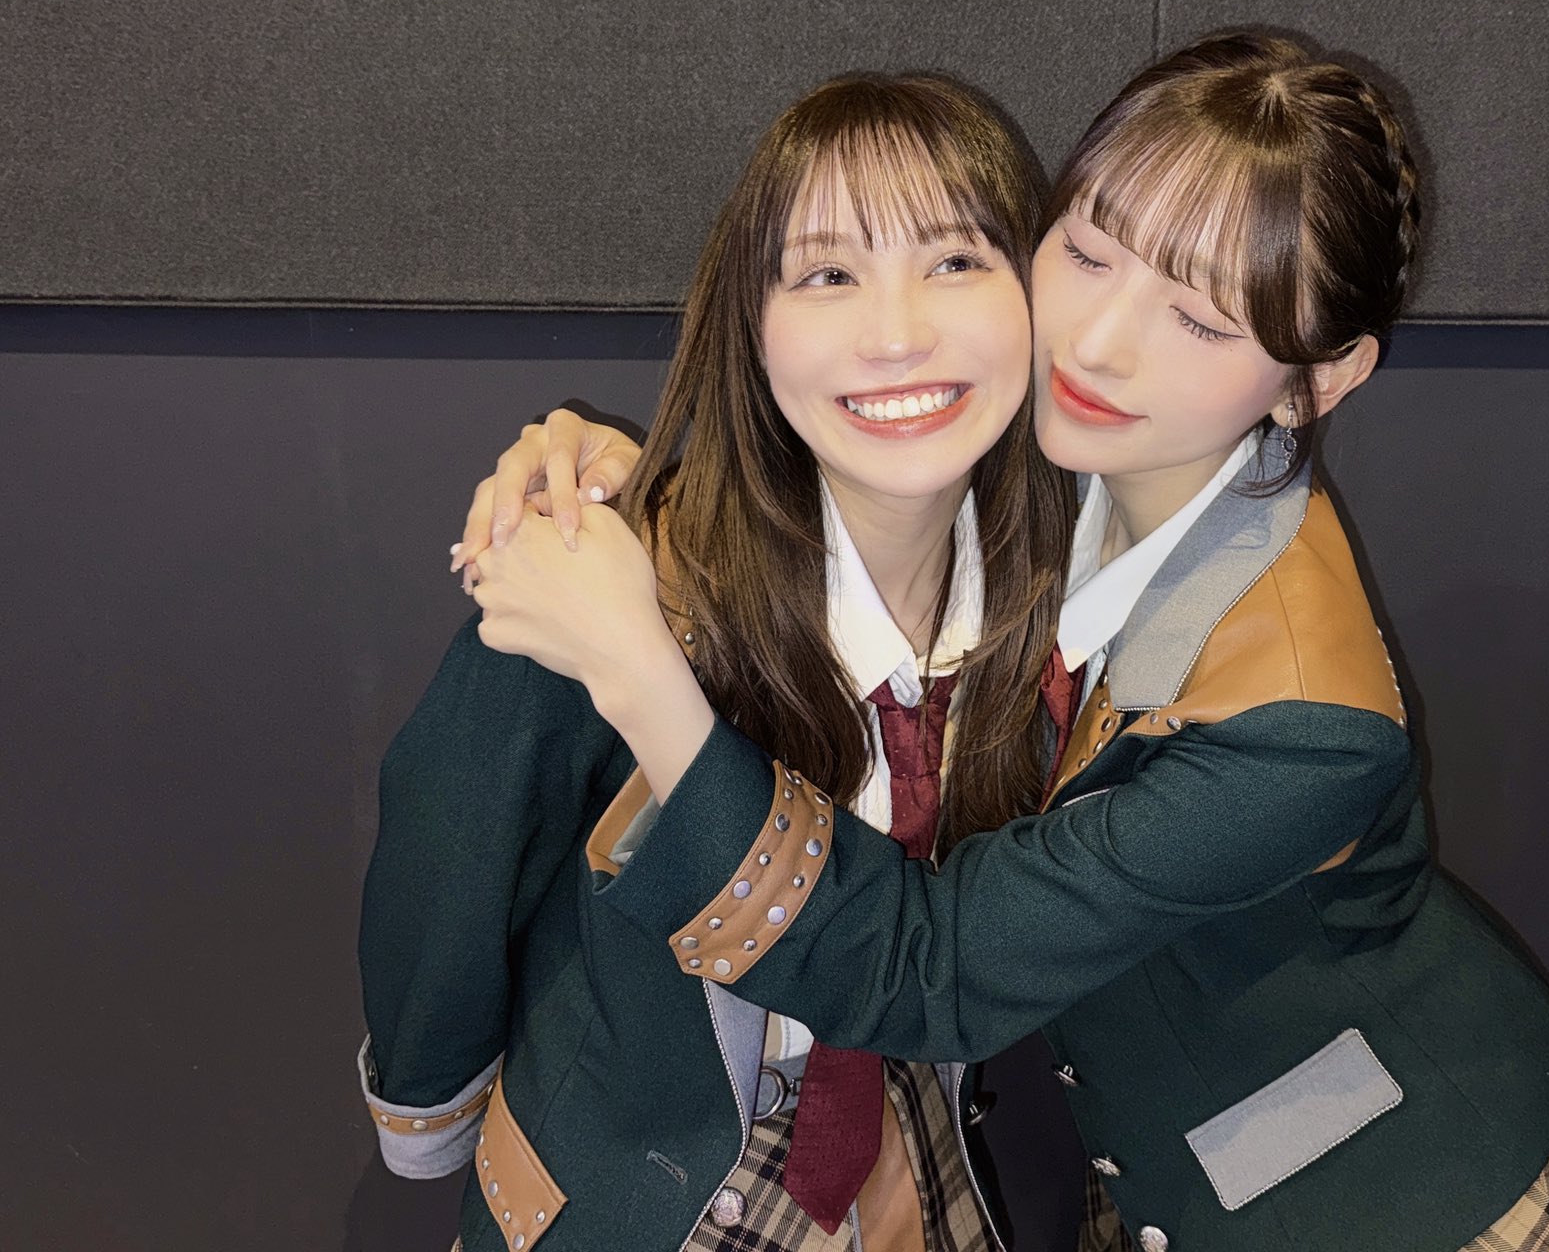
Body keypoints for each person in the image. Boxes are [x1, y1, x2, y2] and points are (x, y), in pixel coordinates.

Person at [464, 31, 1549, 1251]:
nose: (1100, 343)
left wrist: (638, 670)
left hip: (1401, 1197)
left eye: (1200, 320)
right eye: (1086, 251)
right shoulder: (1073, 458)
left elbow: (933, 973)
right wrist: (611, 474)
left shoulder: (1304, 732)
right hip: (1160, 1168)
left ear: (1319, 378)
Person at [359, 71, 1075, 1252]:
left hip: (942, 1157)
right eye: (827, 274)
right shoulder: (609, 578)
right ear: (752, 320)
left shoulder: (1070, 605)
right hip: (655, 1186)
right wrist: (426, 1114)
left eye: (954, 260)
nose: (897, 333)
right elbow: (449, 857)